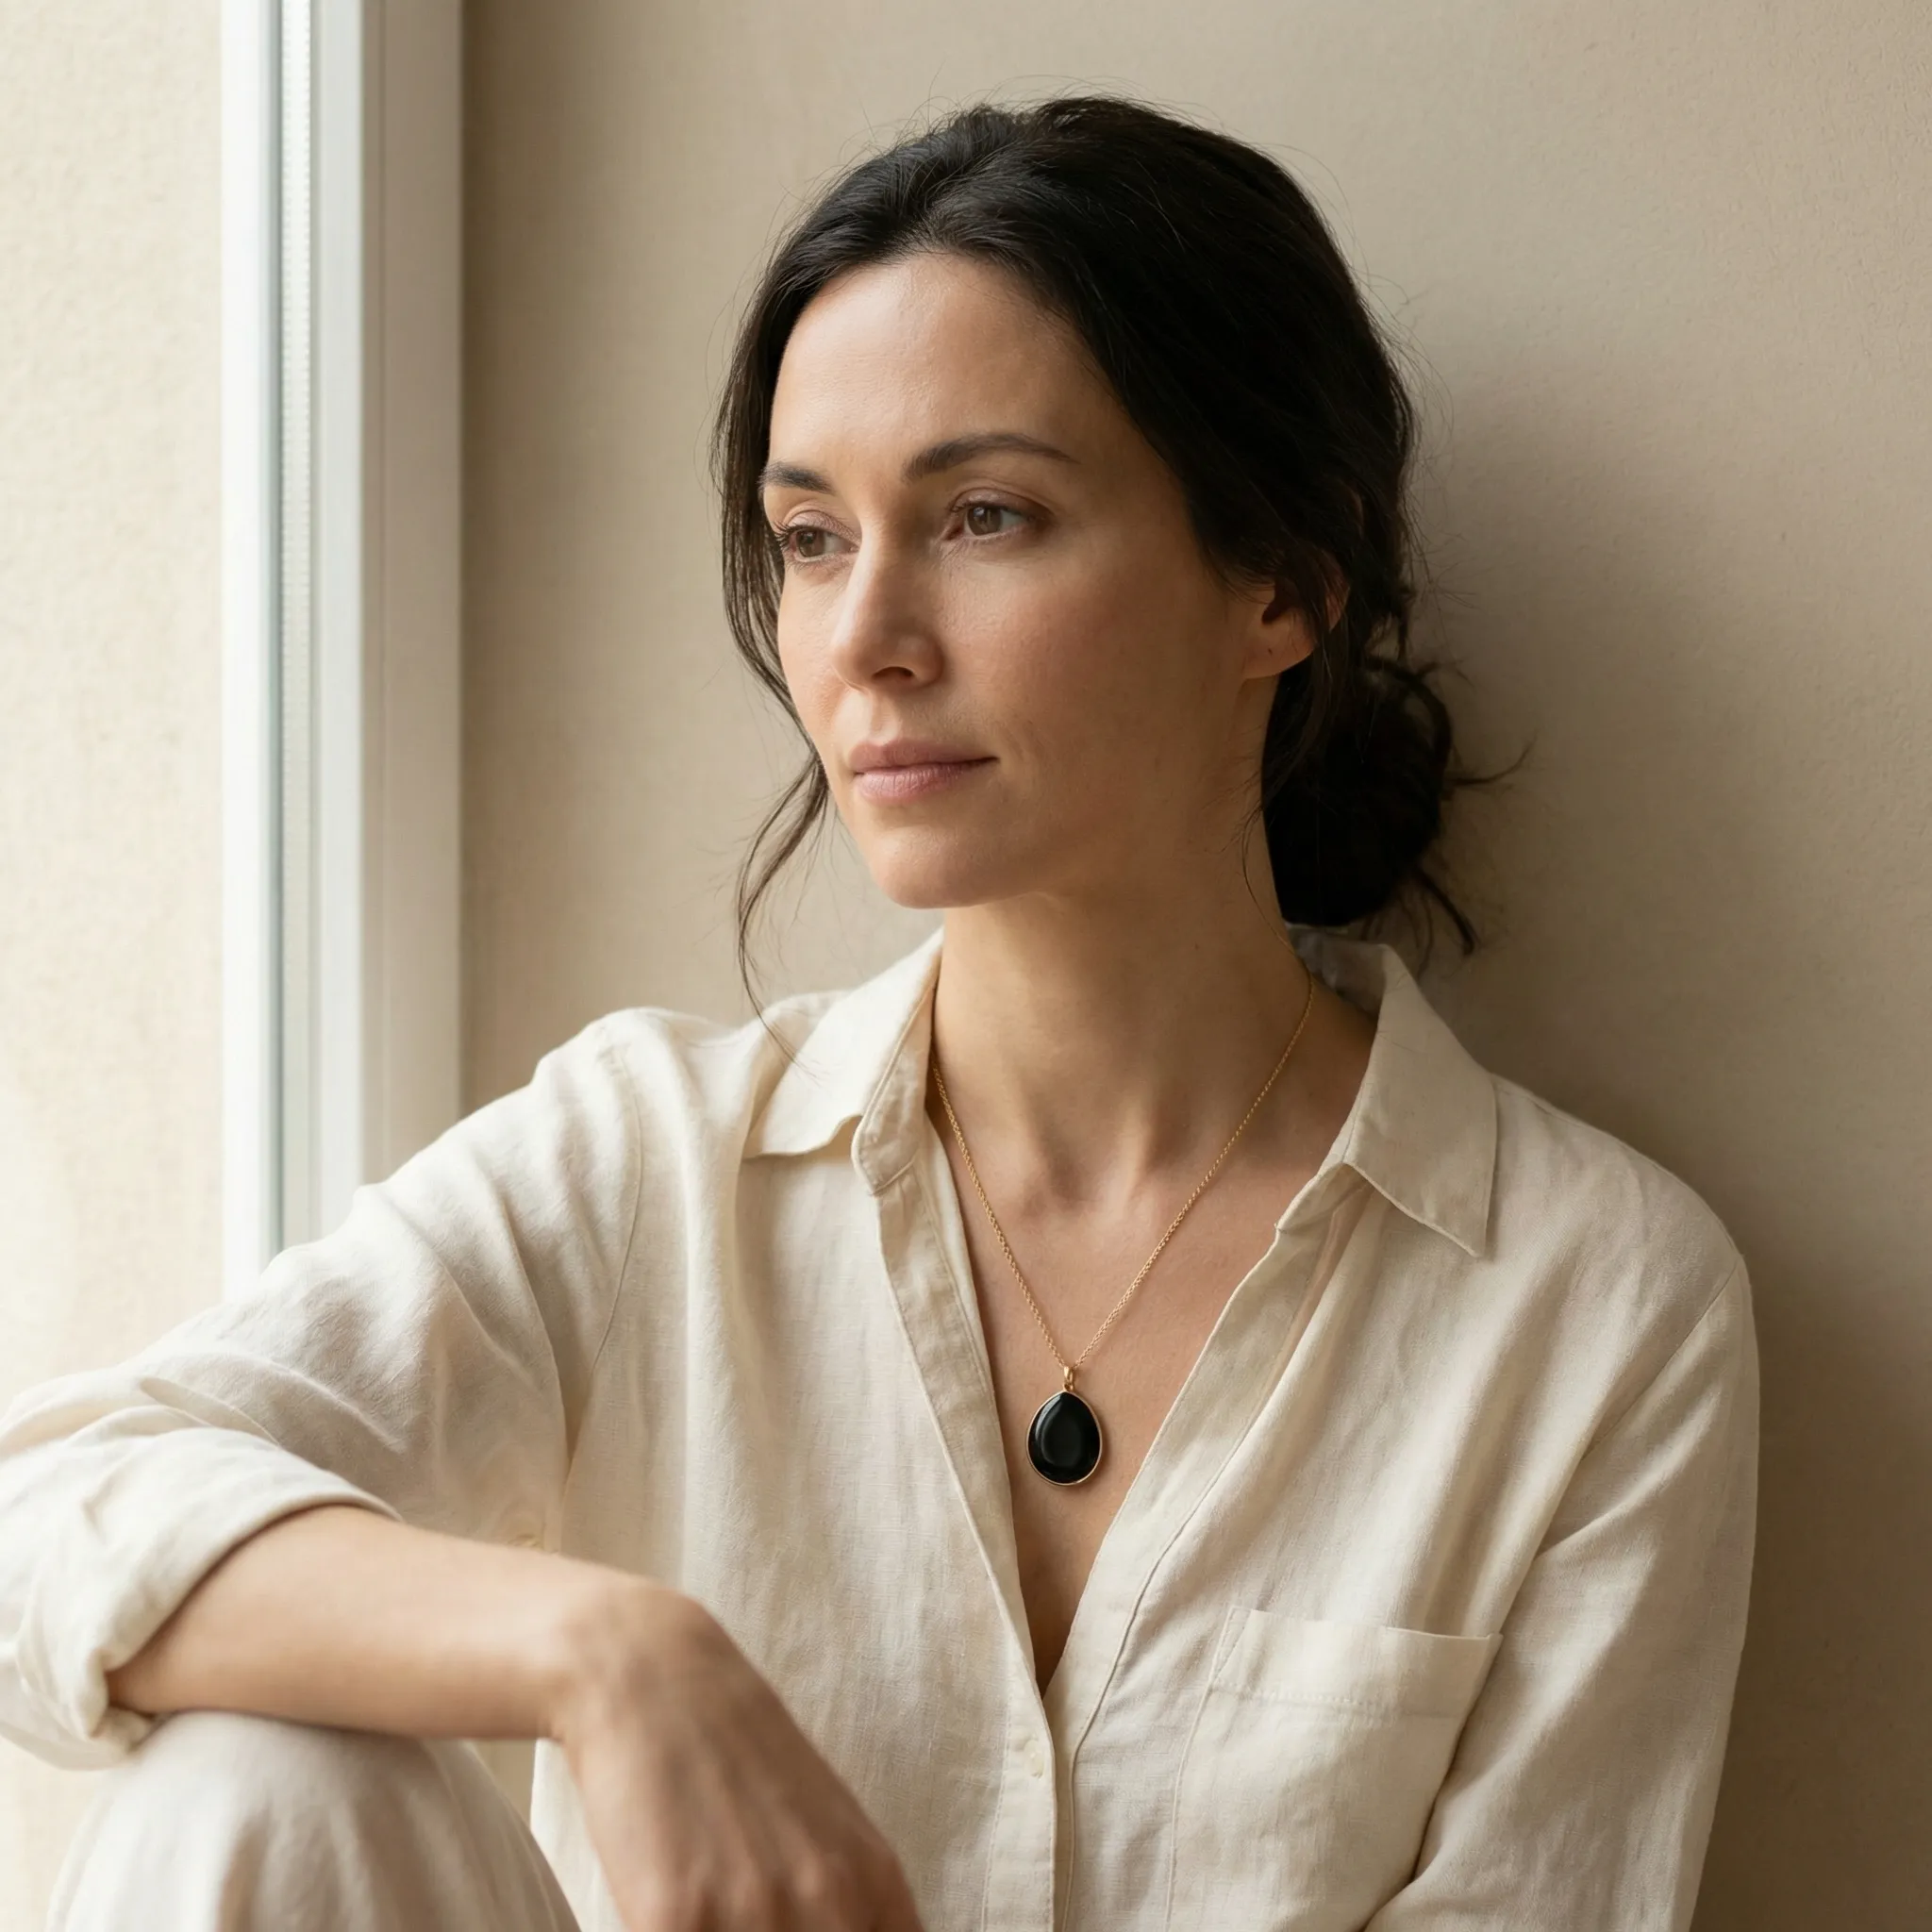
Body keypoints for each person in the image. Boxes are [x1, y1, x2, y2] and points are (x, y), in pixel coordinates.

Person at [0, 93, 1757, 1932]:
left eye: (984, 516)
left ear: (1283, 579)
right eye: (813, 536)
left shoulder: (1593, 1307)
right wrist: (606, 1651)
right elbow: (56, 1513)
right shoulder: (643, 1170)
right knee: (258, 1765)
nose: (863, 638)